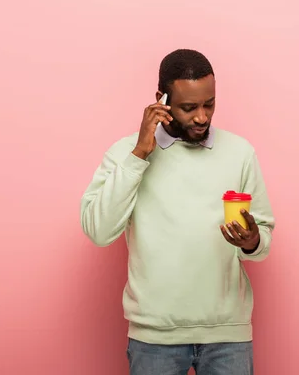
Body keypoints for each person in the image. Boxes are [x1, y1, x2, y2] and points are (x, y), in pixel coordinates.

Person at [80, 49, 275, 375]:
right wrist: (139, 155)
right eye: (189, 107)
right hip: (154, 337)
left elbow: (262, 239)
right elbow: (99, 231)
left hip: (228, 335)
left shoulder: (239, 152)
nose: (202, 117)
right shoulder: (125, 153)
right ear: (162, 99)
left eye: (209, 104)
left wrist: (253, 241)